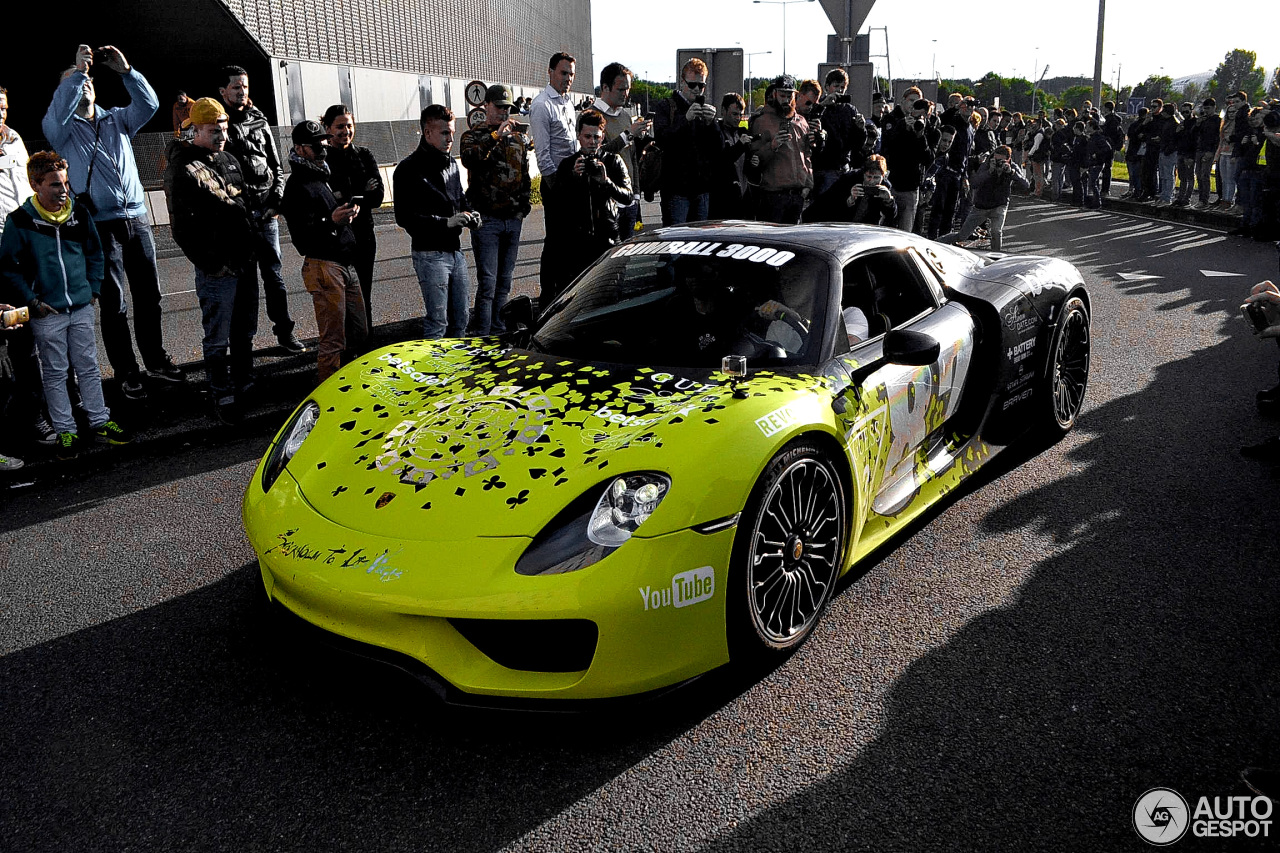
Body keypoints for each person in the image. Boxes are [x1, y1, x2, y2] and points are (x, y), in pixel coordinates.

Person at [43, 44, 183, 401]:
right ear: (65, 90)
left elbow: (149, 104)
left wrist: (126, 71)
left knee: (149, 296)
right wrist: (76, 74)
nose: (84, 82)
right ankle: (126, 371)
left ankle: (156, 358)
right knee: (114, 302)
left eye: (87, 79)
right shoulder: (62, 131)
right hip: (99, 225)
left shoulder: (116, 119)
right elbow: (54, 116)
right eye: (74, 81)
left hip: (136, 218)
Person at [0, 151, 132, 459]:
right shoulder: (19, 221)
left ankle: (100, 420)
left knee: (88, 366)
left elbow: (95, 253)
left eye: (66, 183)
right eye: (55, 185)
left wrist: (93, 287)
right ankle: (66, 431)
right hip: (48, 312)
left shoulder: (79, 212)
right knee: (56, 372)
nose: (64, 191)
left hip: (81, 306)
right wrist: (33, 301)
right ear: (35, 185)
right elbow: (8, 267)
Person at [163, 98, 258, 425]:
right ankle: (221, 392)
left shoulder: (230, 158)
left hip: (244, 261)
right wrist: (212, 263)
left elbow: (244, 204)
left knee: (244, 330)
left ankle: (245, 381)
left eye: (224, 128)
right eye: (213, 130)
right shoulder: (182, 167)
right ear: (196, 130)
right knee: (217, 336)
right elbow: (181, 227)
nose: (221, 135)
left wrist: (250, 247)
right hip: (217, 269)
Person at [218, 64, 304, 353]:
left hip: (266, 215)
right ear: (222, 91)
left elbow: (276, 166)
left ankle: (285, 333)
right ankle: (245, 348)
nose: (241, 91)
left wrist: (276, 202)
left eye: (244, 86)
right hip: (237, 219)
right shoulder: (218, 126)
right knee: (246, 287)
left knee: (275, 278)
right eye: (235, 87)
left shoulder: (259, 120)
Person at [281, 120, 366, 383]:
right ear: (299, 148)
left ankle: (353, 383)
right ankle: (329, 396)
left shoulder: (321, 175)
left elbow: (327, 217)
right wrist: (332, 221)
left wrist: (344, 214)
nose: (322, 148)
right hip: (323, 266)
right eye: (314, 145)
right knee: (333, 339)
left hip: (344, 263)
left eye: (323, 142)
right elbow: (302, 239)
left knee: (359, 333)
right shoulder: (297, 185)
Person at [0, 86, 54, 448]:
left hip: (27, 255)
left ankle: (51, 407)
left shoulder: (15, 140)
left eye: (2, 107)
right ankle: (25, 417)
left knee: (43, 333)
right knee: (15, 340)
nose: (0, 115)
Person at [394, 104, 477, 337]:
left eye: (452, 132)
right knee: (438, 322)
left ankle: (457, 367)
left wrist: (471, 214)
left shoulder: (451, 163)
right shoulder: (407, 169)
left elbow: (459, 197)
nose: (450, 138)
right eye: (444, 133)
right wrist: (445, 223)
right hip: (429, 254)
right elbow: (404, 217)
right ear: (427, 132)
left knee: (461, 318)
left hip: (455, 251)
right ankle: (436, 372)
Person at [459, 84, 533, 334]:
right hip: (487, 218)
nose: (504, 113)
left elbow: (524, 174)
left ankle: (499, 328)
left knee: (504, 281)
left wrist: (524, 206)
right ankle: (482, 331)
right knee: (488, 282)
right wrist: (495, 137)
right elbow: (470, 159)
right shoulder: (473, 135)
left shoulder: (517, 138)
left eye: (507, 108)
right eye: (499, 107)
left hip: (512, 217)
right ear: (487, 106)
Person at [322, 104, 383, 331]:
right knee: (338, 299)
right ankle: (341, 349)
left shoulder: (364, 155)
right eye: (339, 127)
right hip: (336, 239)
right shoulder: (323, 158)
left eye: (349, 125)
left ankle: (365, 344)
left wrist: (351, 196)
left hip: (364, 237)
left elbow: (377, 197)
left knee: (363, 293)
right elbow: (330, 199)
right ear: (327, 128)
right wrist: (361, 190)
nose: (345, 131)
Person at [554, 110, 631, 287]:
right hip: (576, 244)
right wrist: (573, 176)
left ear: (602, 137)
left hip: (608, 238)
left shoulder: (613, 161)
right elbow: (556, 202)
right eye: (587, 136)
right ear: (579, 136)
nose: (592, 142)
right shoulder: (568, 164)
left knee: (610, 290)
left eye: (596, 137)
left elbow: (628, 196)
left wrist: (607, 182)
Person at [530, 52, 579, 300]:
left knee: (570, 242)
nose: (568, 78)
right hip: (556, 183)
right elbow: (543, 153)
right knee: (556, 243)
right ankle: (548, 296)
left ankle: (566, 292)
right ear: (550, 72)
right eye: (563, 73)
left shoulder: (567, 102)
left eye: (571, 74)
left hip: (573, 181)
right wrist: (556, 186)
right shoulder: (541, 105)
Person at [653, 58, 721, 226]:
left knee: (699, 244)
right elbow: (662, 139)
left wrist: (712, 123)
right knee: (675, 242)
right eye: (692, 85)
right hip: (676, 189)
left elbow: (719, 147)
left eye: (701, 85)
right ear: (682, 82)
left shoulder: (705, 109)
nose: (697, 90)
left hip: (701, 188)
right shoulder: (666, 107)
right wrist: (686, 119)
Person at [748, 75, 820, 225]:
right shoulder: (762, 121)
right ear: (774, 94)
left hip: (797, 195)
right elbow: (754, 160)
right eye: (782, 95)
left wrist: (808, 184)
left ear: (795, 96)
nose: (786, 100)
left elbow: (807, 155)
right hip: (773, 196)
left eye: (789, 95)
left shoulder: (801, 121)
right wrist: (773, 146)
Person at [591, 63, 650, 237]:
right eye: (621, 89)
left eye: (628, 89)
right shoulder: (592, 116)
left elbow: (632, 157)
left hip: (629, 199)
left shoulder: (625, 115)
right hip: (607, 200)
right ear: (605, 87)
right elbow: (598, 153)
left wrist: (637, 193)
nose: (626, 94)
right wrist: (627, 136)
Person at [938, 146, 1029, 251]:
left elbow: (1026, 185)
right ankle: (937, 242)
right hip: (981, 206)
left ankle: (995, 257)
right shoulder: (987, 165)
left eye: (1001, 160)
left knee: (996, 232)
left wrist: (1011, 173)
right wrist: (989, 171)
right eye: (995, 159)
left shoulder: (1012, 167)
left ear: (1008, 159)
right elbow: (975, 183)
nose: (998, 163)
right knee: (962, 235)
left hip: (1000, 205)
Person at [807, 69, 866, 197]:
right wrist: (823, 105)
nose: (839, 90)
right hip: (823, 167)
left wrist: (861, 129)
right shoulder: (818, 107)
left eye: (843, 87)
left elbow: (858, 145)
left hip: (843, 165)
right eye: (836, 86)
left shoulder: (850, 110)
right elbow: (809, 123)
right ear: (827, 87)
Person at [802, 154, 898, 226]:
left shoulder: (885, 186)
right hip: (837, 222)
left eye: (876, 178)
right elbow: (829, 203)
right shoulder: (849, 179)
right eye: (869, 177)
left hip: (864, 226)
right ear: (863, 174)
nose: (872, 181)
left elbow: (891, 216)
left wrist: (888, 200)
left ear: (883, 176)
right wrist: (850, 200)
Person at [710, 93, 752, 220]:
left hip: (743, 196)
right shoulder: (716, 132)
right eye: (734, 114)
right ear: (723, 110)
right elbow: (720, 161)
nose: (738, 118)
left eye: (740, 114)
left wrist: (753, 162)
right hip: (722, 200)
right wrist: (740, 145)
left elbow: (746, 167)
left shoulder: (742, 133)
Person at [1192, 98, 1221, 209]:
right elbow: (1193, 134)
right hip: (1199, 149)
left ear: (1214, 108)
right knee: (1198, 175)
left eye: (1208, 108)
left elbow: (1217, 138)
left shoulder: (1217, 120)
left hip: (1209, 150)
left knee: (1205, 175)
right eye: (1205, 108)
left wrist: (1212, 152)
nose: (1206, 111)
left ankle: (1204, 200)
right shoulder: (1202, 120)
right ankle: (1201, 199)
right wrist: (1198, 124)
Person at [1172, 103, 1199, 207]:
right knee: (1182, 177)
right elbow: (1177, 139)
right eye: (1183, 112)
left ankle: (1187, 198)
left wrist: (1192, 156)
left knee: (1190, 177)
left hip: (1189, 153)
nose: (1185, 114)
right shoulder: (1183, 123)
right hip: (1181, 152)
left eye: (1187, 111)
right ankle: (1181, 197)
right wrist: (1177, 131)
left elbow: (1195, 141)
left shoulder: (1195, 123)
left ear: (1192, 111)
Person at [1084, 120, 1113, 209]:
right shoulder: (1092, 137)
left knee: (1093, 182)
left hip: (1097, 163)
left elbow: (1107, 148)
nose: (1086, 127)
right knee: (1092, 182)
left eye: (1088, 126)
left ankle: (1097, 202)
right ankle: (1094, 201)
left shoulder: (1098, 137)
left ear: (1092, 127)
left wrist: (1096, 154)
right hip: (1092, 162)